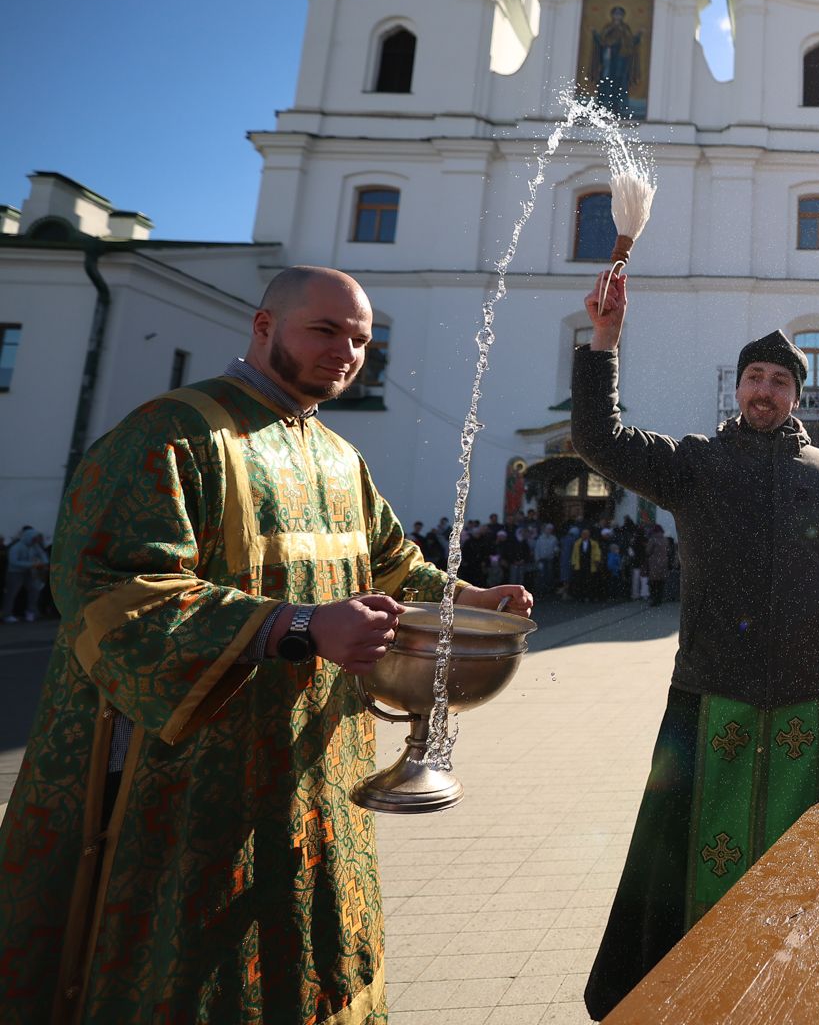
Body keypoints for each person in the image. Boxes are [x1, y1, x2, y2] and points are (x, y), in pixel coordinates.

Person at [0, 265, 530, 1024]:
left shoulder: (339, 458)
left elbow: (392, 564)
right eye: (326, 330)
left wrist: (472, 599)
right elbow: (116, 590)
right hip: (187, 790)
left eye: (361, 340)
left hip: (313, 776)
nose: (346, 353)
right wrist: (305, 626)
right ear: (263, 326)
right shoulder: (174, 433)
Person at [571, 274, 819, 1019]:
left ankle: (796, 996)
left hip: (807, 706)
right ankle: (684, 997)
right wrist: (604, 343)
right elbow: (596, 439)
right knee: (685, 869)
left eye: (780, 381)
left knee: (806, 872)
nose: (765, 390)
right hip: (707, 699)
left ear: (796, 397)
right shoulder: (694, 463)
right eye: (755, 376)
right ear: (739, 388)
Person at [3, 525, 48, 622]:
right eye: (34, 538)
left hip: (28, 573)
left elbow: (43, 555)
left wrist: (43, 563)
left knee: (34, 590)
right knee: (11, 594)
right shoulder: (16, 547)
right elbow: (13, 562)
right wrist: (33, 564)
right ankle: (6, 614)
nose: (36, 540)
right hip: (15, 573)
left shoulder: (34, 546)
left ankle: (31, 612)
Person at [570, 527, 604, 601]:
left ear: (589, 535)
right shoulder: (577, 543)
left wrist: (597, 560)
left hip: (590, 564)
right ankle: (581, 597)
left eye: (586, 534)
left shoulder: (594, 543)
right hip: (580, 564)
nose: (585, 535)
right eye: (583, 534)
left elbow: (597, 553)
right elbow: (574, 554)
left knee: (590, 582)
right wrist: (573, 563)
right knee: (580, 582)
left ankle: (590, 596)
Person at [645, 525, 671, 605]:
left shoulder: (652, 539)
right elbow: (668, 551)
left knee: (653, 583)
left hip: (654, 563)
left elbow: (648, 551)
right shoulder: (665, 539)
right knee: (661, 583)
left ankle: (654, 600)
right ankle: (659, 599)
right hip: (663, 563)